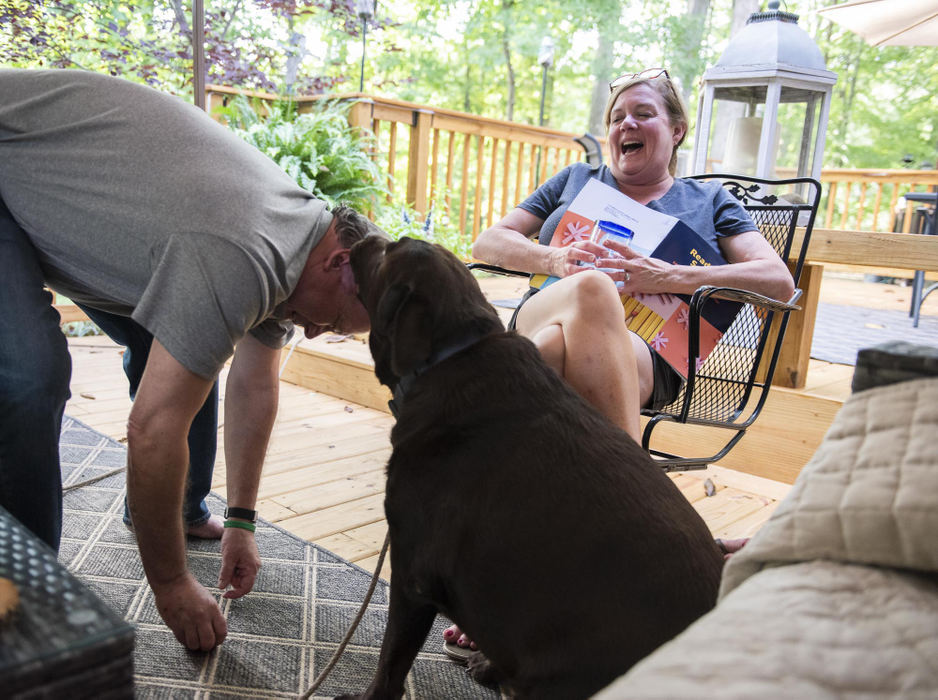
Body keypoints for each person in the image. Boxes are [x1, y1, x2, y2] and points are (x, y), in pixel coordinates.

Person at [0, 68, 384, 652]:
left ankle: (174, 511)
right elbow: (152, 431)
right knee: (30, 379)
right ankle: (21, 608)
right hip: (10, 164)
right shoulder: (245, 251)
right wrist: (173, 584)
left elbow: (255, 386)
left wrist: (241, 523)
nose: (312, 329)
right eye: (329, 322)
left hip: (47, 191)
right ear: (340, 263)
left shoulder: (300, 239)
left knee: (192, 363)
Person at [443, 68, 793, 657]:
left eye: (643, 114)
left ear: (676, 130)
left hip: (638, 356)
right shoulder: (575, 179)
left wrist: (668, 275)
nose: (626, 124)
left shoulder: (710, 201)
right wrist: (557, 259)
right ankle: (635, 534)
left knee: (549, 359)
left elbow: (776, 280)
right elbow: (487, 243)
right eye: (616, 118)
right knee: (590, 291)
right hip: (548, 310)